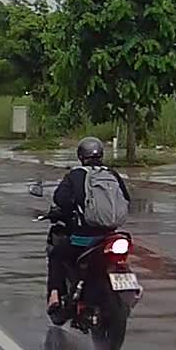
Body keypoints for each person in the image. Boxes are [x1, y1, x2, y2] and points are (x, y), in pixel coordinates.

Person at [45, 136, 131, 318]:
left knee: (57, 253)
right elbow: (126, 199)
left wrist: (66, 212)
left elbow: (61, 199)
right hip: (109, 237)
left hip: (84, 239)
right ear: (101, 155)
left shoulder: (75, 175)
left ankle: (54, 295)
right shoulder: (112, 174)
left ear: (80, 156)